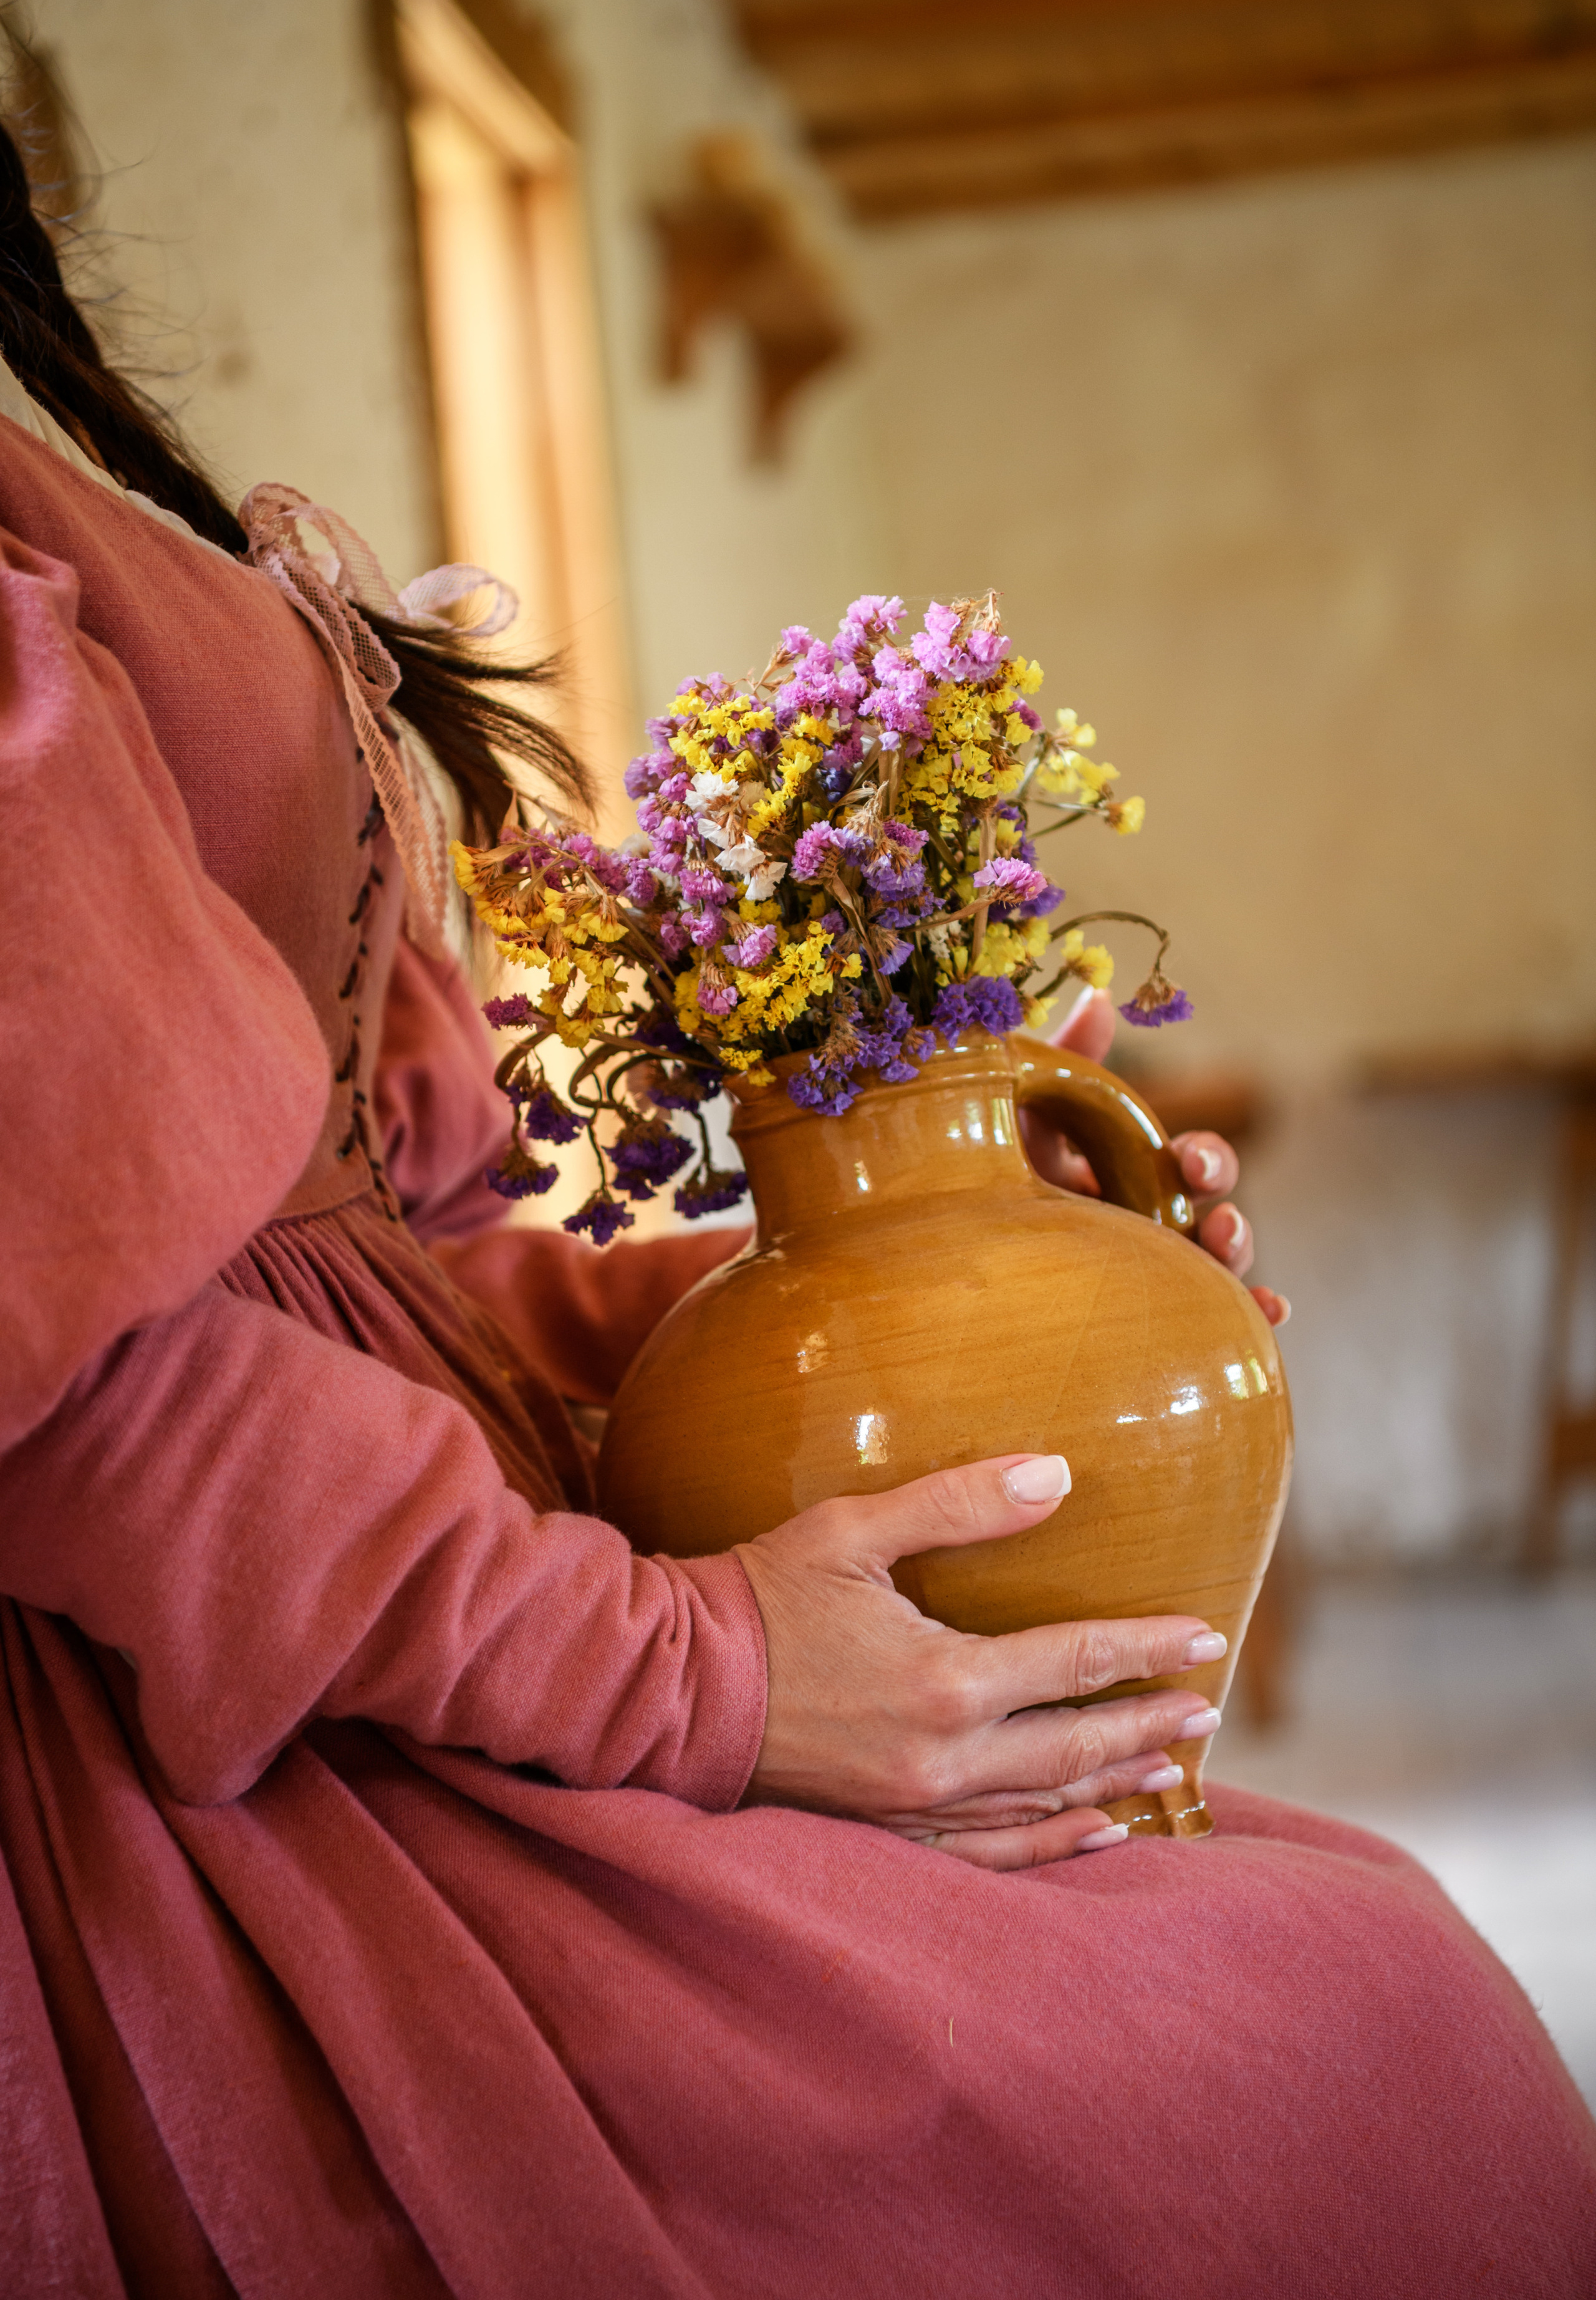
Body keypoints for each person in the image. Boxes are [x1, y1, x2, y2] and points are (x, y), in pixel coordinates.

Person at [0, 125, 1590, 2298]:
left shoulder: (60, 436)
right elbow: (80, 1374)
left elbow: (389, 1269)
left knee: (1356, 1965)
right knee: (1317, 2050)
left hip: (414, 1571)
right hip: (235, 1692)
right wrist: (697, 1671)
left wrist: (938, 1275)